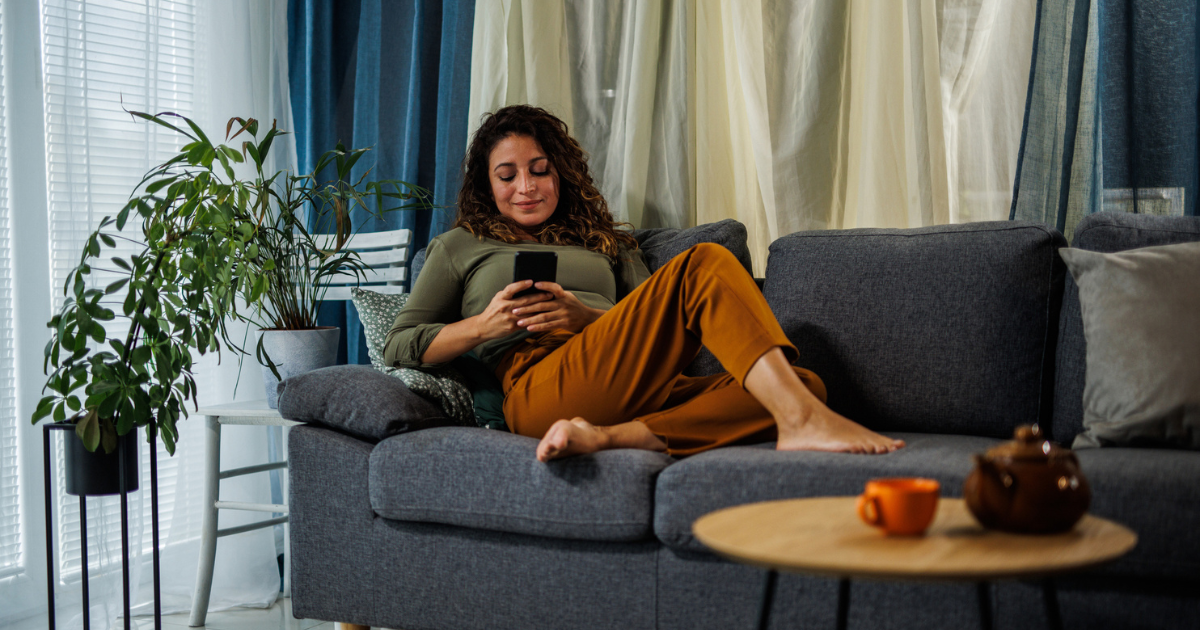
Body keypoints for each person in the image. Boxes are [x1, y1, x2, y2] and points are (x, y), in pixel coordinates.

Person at [384, 105, 904, 462]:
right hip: (539, 384)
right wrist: (482, 326)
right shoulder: (460, 245)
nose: (526, 186)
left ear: (560, 174)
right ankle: (802, 422)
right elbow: (399, 345)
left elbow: (654, 325)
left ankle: (608, 438)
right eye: (507, 175)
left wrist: (588, 318)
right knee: (703, 263)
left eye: (540, 170)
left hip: (630, 382)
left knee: (805, 383)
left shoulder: (609, 243)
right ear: (486, 183)